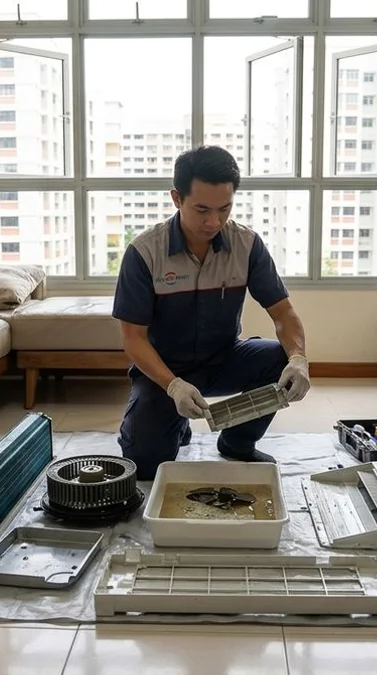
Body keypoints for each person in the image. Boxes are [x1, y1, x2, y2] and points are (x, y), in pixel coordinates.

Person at [111, 145, 310, 481]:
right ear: (177, 198)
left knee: (280, 358)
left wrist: (299, 359)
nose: (214, 222)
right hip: (165, 370)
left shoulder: (247, 245)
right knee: (145, 465)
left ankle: (237, 442)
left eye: (224, 209)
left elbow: (283, 312)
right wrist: (173, 386)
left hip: (223, 359)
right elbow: (133, 338)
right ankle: (175, 422)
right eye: (202, 209)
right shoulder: (144, 253)